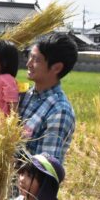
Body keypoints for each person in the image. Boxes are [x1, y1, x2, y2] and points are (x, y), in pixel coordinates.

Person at [18, 33, 78, 163]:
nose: (28, 63)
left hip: (25, 182)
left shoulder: (60, 111)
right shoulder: (25, 95)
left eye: (36, 60)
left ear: (56, 68)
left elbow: (43, 169)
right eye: (30, 57)